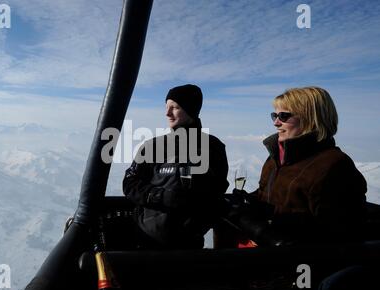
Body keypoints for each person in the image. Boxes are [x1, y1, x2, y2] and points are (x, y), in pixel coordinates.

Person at [226, 86, 367, 246]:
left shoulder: (335, 166)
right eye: (274, 115)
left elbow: (341, 235)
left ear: (311, 119)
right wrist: (249, 200)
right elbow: (270, 194)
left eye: (284, 116)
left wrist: (269, 219)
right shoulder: (276, 157)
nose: (276, 123)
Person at [123, 84, 229, 249]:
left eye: (175, 107)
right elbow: (129, 184)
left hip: (189, 246)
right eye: (166, 107)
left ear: (191, 110)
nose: (167, 113)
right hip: (147, 242)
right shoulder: (153, 146)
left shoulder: (213, 148)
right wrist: (161, 196)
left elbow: (218, 190)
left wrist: (197, 221)